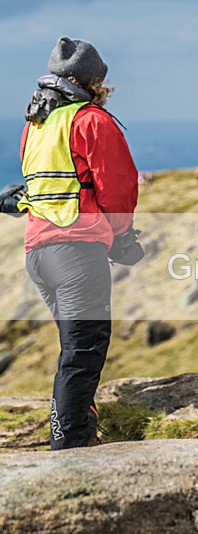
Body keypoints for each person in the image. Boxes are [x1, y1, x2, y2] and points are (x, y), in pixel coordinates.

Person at [0, 36, 140, 449]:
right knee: (82, 354)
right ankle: (71, 446)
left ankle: (77, 431)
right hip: (77, 255)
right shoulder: (91, 121)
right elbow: (119, 188)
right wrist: (123, 239)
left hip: (39, 253)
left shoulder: (36, 125)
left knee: (75, 349)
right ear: (92, 81)